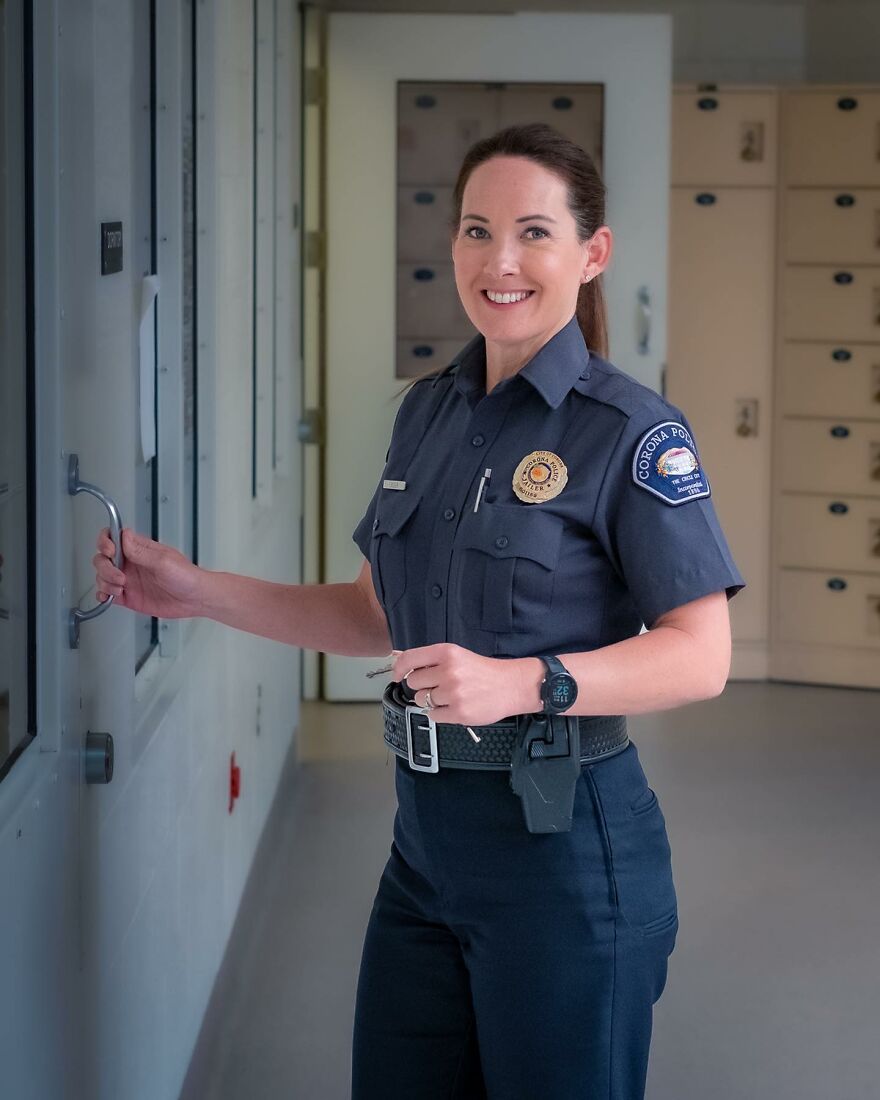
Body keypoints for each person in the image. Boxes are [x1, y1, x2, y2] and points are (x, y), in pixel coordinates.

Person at [94, 122, 745, 1099]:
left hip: (562, 850)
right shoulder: (429, 411)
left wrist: (526, 679)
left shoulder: (630, 432)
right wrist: (196, 591)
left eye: (532, 231)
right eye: (477, 231)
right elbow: (373, 613)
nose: (501, 261)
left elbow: (700, 656)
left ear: (591, 252)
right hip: (426, 848)